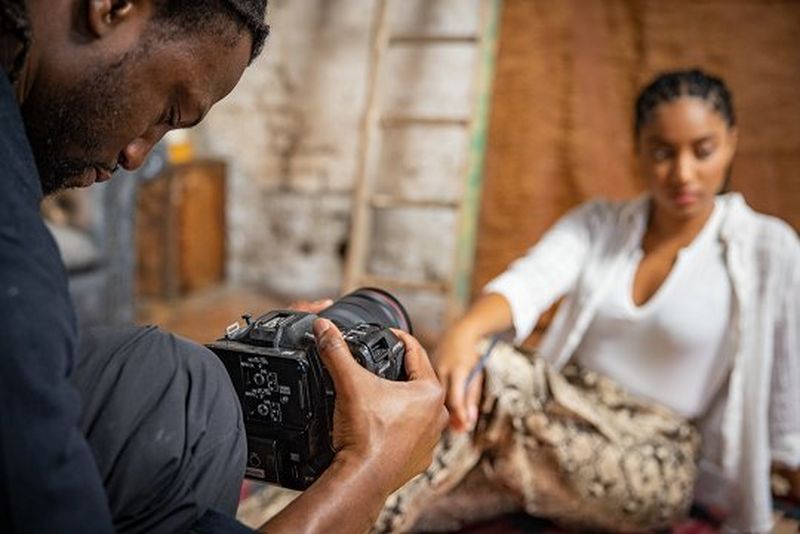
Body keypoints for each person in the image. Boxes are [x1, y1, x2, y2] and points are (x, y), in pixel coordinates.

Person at [0, 1, 447, 533]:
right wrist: (369, 469)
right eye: (169, 110)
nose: (136, 157)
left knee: (187, 386)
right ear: (114, 6)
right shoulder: (14, 258)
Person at [374, 69, 799, 533]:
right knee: (474, 397)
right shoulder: (599, 224)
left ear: (731, 143)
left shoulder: (767, 249)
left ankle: (363, 504)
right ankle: (370, 512)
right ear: (637, 149)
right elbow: (530, 281)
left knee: (492, 385)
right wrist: (463, 332)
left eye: (702, 151)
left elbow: (786, 389)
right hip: (558, 419)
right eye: (662, 152)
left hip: (655, 456)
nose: (682, 172)